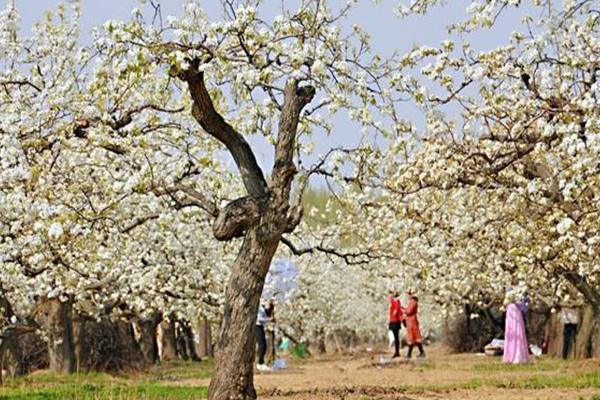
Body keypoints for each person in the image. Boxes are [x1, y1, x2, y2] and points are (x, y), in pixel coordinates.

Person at [404, 291, 425, 359]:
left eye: (407, 294)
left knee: (413, 336)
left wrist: (404, 310)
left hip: (412, 321)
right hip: (410, 321)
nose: (406, 296)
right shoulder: (411, 301)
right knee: (413, 337)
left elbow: (409, 311)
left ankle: (410, 354)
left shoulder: (413, 301)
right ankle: (419, 352)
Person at [255, 302, 271, 371]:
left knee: (263, 345)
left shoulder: (262, 308)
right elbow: (259, 319)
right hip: (257, 326)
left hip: (260, 326)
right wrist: (268, 319)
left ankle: (261, 362)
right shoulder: (258, 308)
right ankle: (260, 363)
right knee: (262, 345)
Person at [388, 291, 403, 358]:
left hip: (395, 321)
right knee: (395, 336)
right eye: (389, 296)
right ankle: (396, 351)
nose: (389, 298)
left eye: (390, 296)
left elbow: (396, 310)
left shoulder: (395, 302)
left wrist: (394, 313)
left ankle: (397, 352)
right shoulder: (392, 302)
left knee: (396, 337)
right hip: (392, 320)